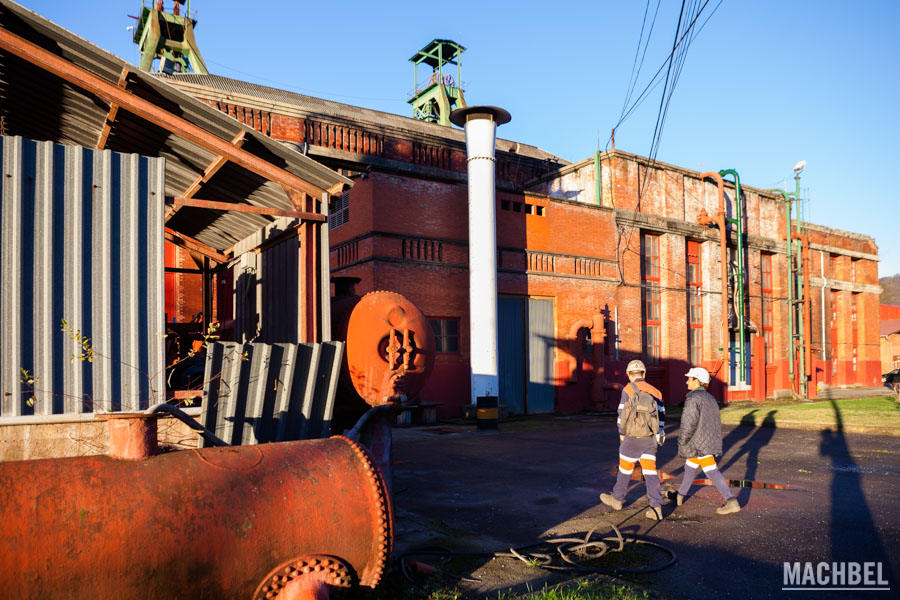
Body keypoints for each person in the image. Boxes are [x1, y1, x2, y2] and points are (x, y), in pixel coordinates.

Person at [668, 367, 740, 515]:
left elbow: (689, 423)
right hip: (707, 440)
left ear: (697, 381)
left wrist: (682, 440)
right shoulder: (710, 398)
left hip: (698, 442)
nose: (687, 381)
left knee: (711, 471)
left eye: (690, 378)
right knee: (690, 465)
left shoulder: (693, 398)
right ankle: (680, 496)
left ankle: (731, 500)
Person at [600, 359, 666, 520]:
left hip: (632, 438)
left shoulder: (628, 389)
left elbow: (621, 414)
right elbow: (662, 416)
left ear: (629, 375)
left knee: (625, 470)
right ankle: (656, 507)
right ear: (644, 373)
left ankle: (617, 499)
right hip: (649, 439)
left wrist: (622, 434)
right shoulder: (656, 391)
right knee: (650, 473)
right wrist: (658, 434)